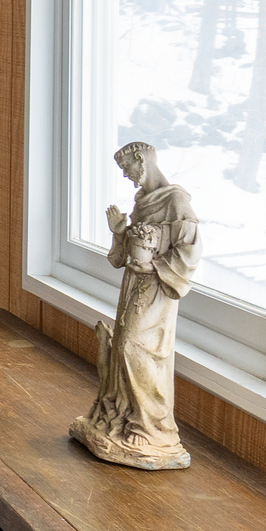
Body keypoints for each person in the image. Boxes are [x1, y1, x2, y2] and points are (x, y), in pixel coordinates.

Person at [71, 140, 197, 471]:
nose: (126, 176)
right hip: (133, 287)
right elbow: (121, 257)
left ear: (141, 160)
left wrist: (153, 266)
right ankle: (123, 417)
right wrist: (120, 232)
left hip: (157, 289)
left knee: (135, 349)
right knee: (120, 349)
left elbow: (189, 249)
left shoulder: (176, 200)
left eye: (127, 168)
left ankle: (152, 428)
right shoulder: (143, 202)